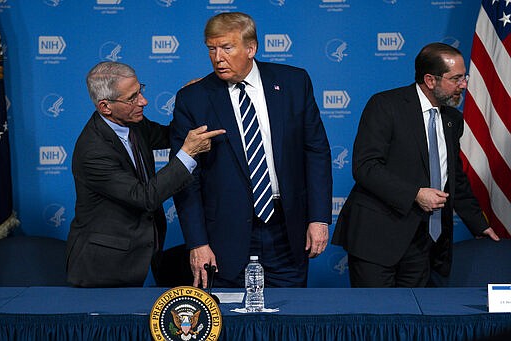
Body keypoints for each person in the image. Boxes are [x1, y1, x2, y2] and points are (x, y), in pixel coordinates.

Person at [169, 12, 332, 288]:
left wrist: (319, 218)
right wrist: (197, 242)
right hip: (224, 237)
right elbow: (186, 178)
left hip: (286, 230)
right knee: (230, 325)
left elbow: (316, 151)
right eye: (212, 48)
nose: (217, 57)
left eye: (227, 48)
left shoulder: (294, 83)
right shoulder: (193, 99)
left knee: (288, 321)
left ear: (251, 48)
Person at [331, 43, 499, 288]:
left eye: (464, 77)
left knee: (414, 321)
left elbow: (454, 177)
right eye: (456, 79)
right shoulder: (386, 105)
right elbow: (365, 166)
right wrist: (415, 194)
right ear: (430, 80)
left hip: (423, 243)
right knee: (378, 320)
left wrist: (479, 224)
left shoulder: (453, 119)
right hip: (377, 239)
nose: (463, 85)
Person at [66, 61, 225, 287]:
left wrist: (191, 99)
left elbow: (173, 134)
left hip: (140, 252)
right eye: (132, 98)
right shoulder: (93, 151)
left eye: (140, 90)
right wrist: (188, 153)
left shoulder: (134, 123)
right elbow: (144, 197)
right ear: (105, 107)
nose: (143, 101)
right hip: (102, 267)